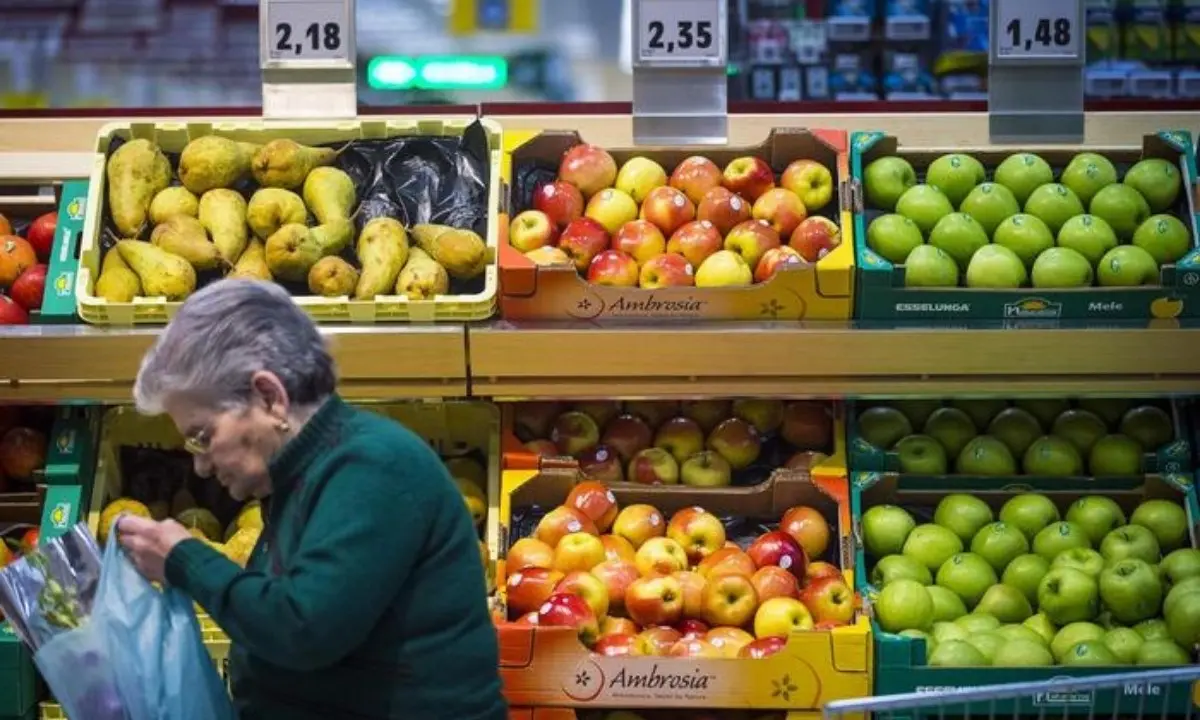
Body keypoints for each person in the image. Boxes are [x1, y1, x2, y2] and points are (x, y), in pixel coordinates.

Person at [116, 278, 506, 720]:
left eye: (202, 436)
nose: (201, 465)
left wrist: (184, 560)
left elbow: (304, 629)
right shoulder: (301, 478)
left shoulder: (372, 468)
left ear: (269, 397)